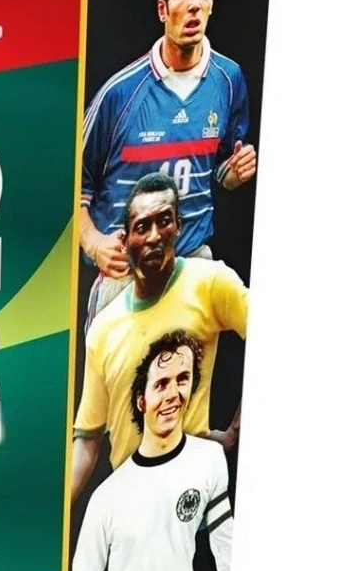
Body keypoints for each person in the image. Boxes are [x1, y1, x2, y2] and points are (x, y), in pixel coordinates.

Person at [79, 0, 256, 330]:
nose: (195, 4)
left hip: (193, 264)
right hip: (127, 274)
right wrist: (93, 243)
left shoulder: (229, 80)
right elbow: (73, 185)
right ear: (163, 9)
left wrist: (235, 172)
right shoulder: (119, 94)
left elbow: (220, 170)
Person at [71, 172, 247, 501]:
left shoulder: (210, 282)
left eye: (164, 221)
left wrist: (235, 430)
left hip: (190, 499)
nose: (154, 236)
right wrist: (53, 514)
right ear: (124, 239)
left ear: (178, 226)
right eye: (142, 226)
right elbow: (88, 441)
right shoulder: (104, 329)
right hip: (129, 505)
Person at [65, 330, 232, 571]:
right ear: (141, 401)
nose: (172, 394)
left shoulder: (209, 459)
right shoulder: (106, 498)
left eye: (182, 379)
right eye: (161, 384)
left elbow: (226, 548)